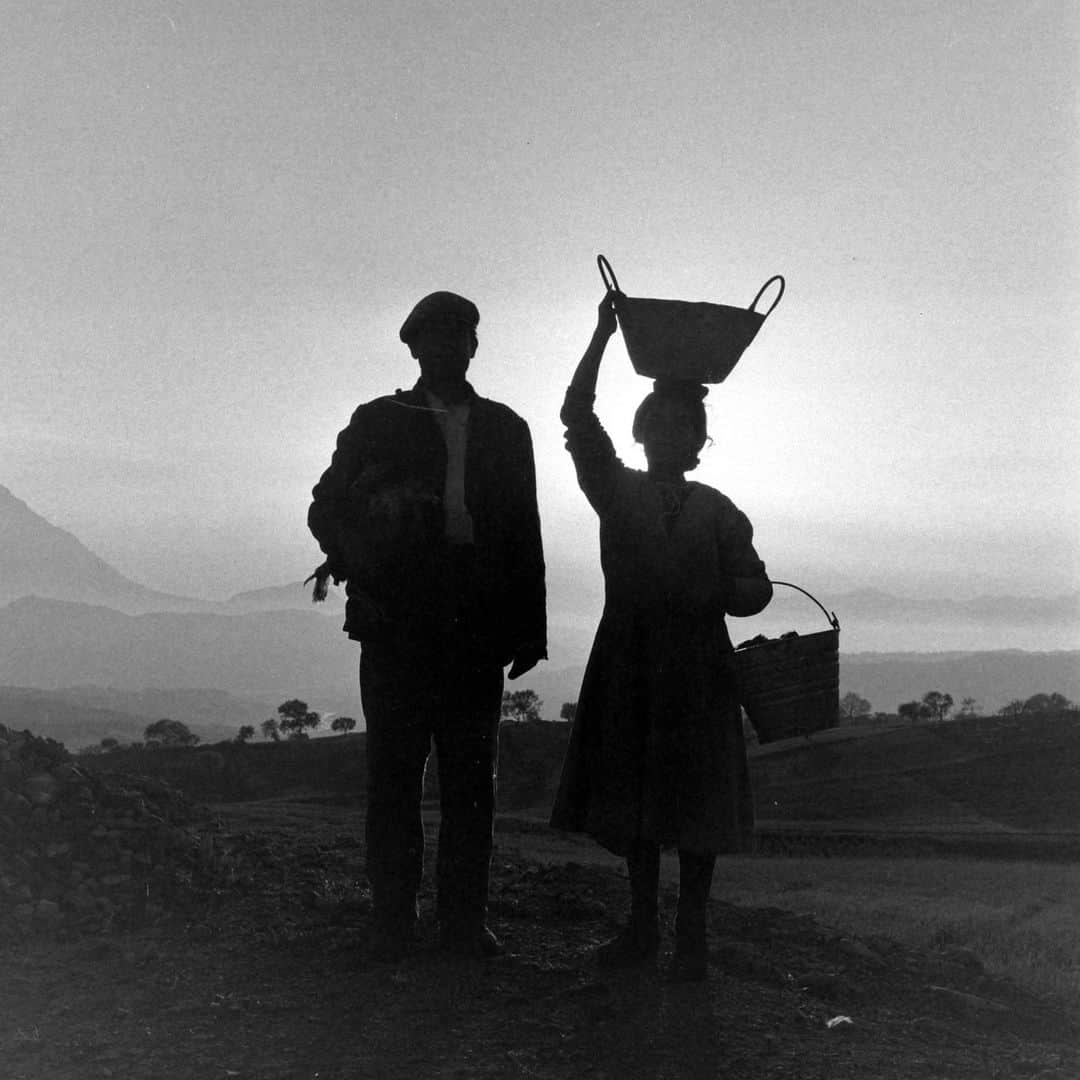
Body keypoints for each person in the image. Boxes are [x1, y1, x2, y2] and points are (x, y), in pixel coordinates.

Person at [308, 290, 547, 961]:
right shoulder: (377, 420)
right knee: (394, 775)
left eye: (460, 335)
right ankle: (392, 920)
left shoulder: (507, 429)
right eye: (435, 336)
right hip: (396, 621)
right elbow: (327, 505)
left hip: (476, 623)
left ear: (475, 346)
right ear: (414, 347)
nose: (448, 346)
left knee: (473, 781)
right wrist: (366, 557)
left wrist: (529, 630)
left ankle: (464, 924)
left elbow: (524, 531)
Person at [550, 292, 772, 981]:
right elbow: (576, 417)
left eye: (686, 426)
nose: (672, 434)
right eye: (661, 423)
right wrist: (600, 337)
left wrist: (723, 594)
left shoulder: (720, 511)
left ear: (697, 441)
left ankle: (691, 938)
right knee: (639, 803)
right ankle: (643, 929)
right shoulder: (614, 490)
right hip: (631, 661)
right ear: (643, 433)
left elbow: (757, 588)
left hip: (700, 669)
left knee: (695, 808)